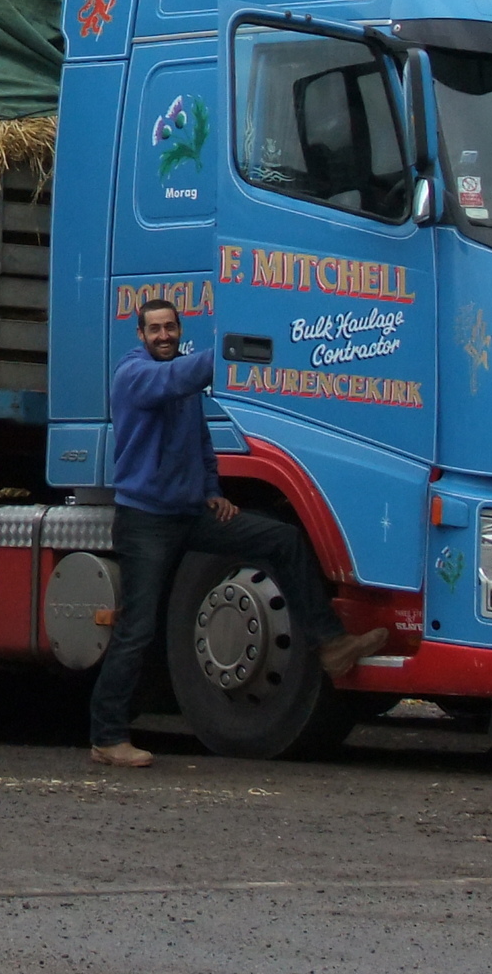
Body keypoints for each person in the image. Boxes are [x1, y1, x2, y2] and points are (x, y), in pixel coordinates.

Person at [86, 297, 387, 768]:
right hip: (145, 521)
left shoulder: (182, 378)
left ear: (179, 330)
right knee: (137, 629)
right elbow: (174, 380)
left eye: (170, 328)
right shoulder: (135, 374)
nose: (163, 336)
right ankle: (107, 737)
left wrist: (212, 490)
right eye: (155, 330)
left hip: (190, 514)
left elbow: (201, 443)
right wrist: (229, 352)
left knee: (281, 540)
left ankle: (331, 644)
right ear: (140, 335)